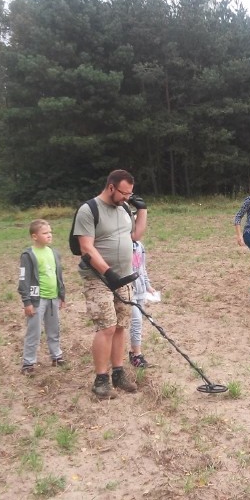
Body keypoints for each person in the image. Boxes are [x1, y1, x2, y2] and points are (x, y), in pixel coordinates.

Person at [74, 169, 147, 399]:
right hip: (98, 278)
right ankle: (101, 379)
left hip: (124, 277)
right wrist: (107, 271)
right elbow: (86, 247)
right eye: (124, 193)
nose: (127, 198)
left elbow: (135, 236)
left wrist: (142, 210)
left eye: (131, 194)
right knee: (106, 326)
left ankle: (118, 373)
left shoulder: (125, 208)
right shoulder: (89, 210)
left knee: (120, 325)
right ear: (111, 187)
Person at [18, 219, 66, 376]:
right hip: (37, 300)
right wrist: (27, 302)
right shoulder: (28, 255)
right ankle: (28, 362)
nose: (49, 235)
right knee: (34, 331)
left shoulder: (53, 253)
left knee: (54, 329)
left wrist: (61, 295)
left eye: (50, 232)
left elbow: (58, 275)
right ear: (34, 236)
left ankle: (57, 356)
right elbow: (23, 279)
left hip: (53, 298)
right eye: (45, 233)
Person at [129, 240, 156, 368]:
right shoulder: (123, 245)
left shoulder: (140, 246)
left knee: (138, 322)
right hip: (129, 291)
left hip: (140, 291)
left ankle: (133, 351)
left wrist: (148, 286)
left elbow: (142, 268)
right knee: (136, 321)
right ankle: (137, 355)